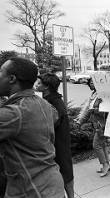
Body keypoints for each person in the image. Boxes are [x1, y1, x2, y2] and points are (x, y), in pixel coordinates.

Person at [0, 57, 65, 197]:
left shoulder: (14, 113)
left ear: (11, 79)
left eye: (0, 72)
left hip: (33, 191)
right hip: (53, 184)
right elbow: (54, 117)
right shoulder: (46, 105)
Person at [35, 73, 75, 198]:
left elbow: (50, 124)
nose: (37, 85)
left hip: (59, 144)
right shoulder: (48, 100)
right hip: (53, 144)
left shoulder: (55, 103)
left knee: (65, 172)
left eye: (39, 83)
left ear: (46, 87)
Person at [76, 78, 110, 177]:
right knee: (102, 144)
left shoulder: (103, 95)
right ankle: (107, 164)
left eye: (93, 83)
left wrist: (95, 110)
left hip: (103, 125)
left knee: (96, 145)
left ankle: (104, 165)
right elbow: (87, 110)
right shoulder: (94, 94)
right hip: (97, 124)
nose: (91, 84)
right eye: (90, 83)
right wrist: (80, 120)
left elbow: (107, 110)